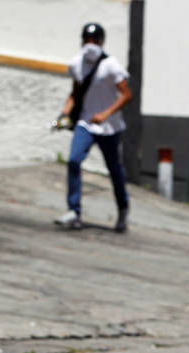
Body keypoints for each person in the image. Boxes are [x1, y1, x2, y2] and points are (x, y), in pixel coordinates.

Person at [54, 23, 133, 232]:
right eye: (87, 40)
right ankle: (74, 211)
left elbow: (126, 95)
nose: (91, 44)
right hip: (85, 123)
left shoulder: (111, 65)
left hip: (109, 128)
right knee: (73, 160)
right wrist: (64, 114)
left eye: (94, 40)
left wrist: (106, 114)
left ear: (101, 42)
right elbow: (75, 93)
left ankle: (123, 209)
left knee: (114, 170)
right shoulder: (77, 64)